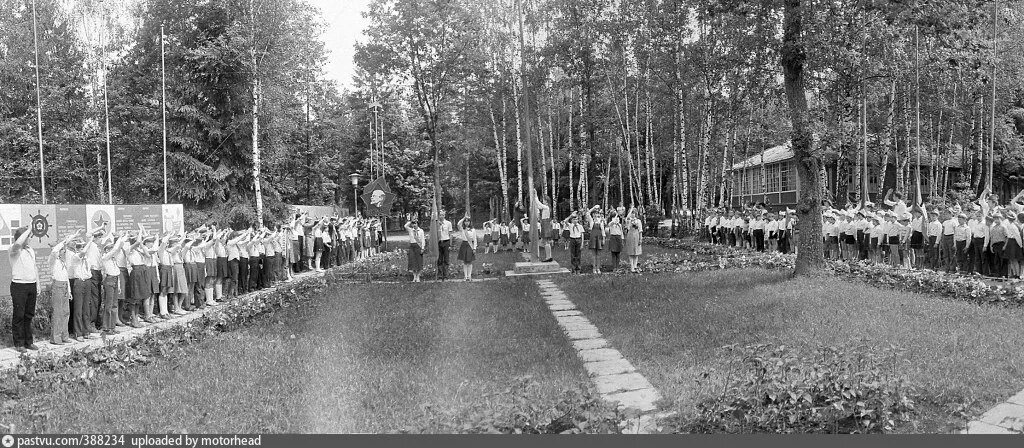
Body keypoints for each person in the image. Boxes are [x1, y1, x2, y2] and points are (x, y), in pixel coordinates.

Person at [8, 226, 40, 351]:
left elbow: (34, 267)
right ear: (23, 237)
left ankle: (28, 342)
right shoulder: (13, 249)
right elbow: (17, 244)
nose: (30, 238)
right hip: (19, 285)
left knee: (29, 315)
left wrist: (38, 284)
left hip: (31, 284)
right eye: (29, 236)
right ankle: (19, 343)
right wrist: (28, 230)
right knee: (19, 315)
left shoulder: (30, 250)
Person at [48, 232, 79, 345]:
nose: (63, 251)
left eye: (64, 250)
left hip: (65, 287)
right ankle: (55, 338)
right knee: (58, 312)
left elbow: (66, 277)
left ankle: (64, 335)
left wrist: (69, 291)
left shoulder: (63, 262)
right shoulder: (52, 261)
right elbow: (54, 251)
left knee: (66, 312)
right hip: (58, 287)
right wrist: (68, 238)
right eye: (62, 250)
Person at [456, 216, 478, 281]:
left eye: (468, 221)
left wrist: (474, 248)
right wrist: (463, 218)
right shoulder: (462, 229)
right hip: (464, 245)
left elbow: (475, 239)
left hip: (470, 246)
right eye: (465, 221)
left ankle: (469, 276)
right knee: (465, 262)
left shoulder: (473, 230)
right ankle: (465, 276)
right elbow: (458, 224)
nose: (466, 223)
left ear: (470, 222)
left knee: (470, 262)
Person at [584, 205, 605, 274]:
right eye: (595, 215)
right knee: (593, 254)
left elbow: (603, 231)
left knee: (598, 254)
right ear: (593, 216)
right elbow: (587, 213)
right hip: (593, 238)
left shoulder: (601, 222)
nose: (596, 217)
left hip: (599, 238)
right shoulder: (591, 221)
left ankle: (598, 268)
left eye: (598, 215)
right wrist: (593, 208)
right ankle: (594, 268)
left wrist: (604, 239)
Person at [405, 216, 425, 282]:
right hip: (412, 246)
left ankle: (418, 276)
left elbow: (423, 240)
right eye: (413, 223)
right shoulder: (410, 230)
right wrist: (411, 221)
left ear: (418, 224)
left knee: (418, 261)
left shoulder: (421, 231)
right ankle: (414, 276)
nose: (414, 224)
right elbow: (405, 226)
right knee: (413, 261)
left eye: (415, 223)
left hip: (418, 246)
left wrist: (422, 248)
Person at [624, 207, 644, 273]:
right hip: (630, 236)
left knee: (636, 252)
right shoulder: (628, 220)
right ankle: (632, 266)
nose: (633, 215)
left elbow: (640, 230)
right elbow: (627, 218)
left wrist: (640, 239)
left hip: (636, 236)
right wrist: (631, 209)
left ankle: (635, 265)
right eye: (632, 213)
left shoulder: (638, 221)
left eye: (634, 213)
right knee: (631, 252)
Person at [435, 211, 453, 280]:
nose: (441, 216)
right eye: (440, 215)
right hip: (439, 242)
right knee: (439, 260)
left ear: (444, 215)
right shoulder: (436, 224)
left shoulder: (448, 223)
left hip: (446, 242)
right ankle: (440, 275)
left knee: (446, 259)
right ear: (439, 216)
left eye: (443, 215)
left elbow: (450, 234)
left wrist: (450, 245)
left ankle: (446, 276)